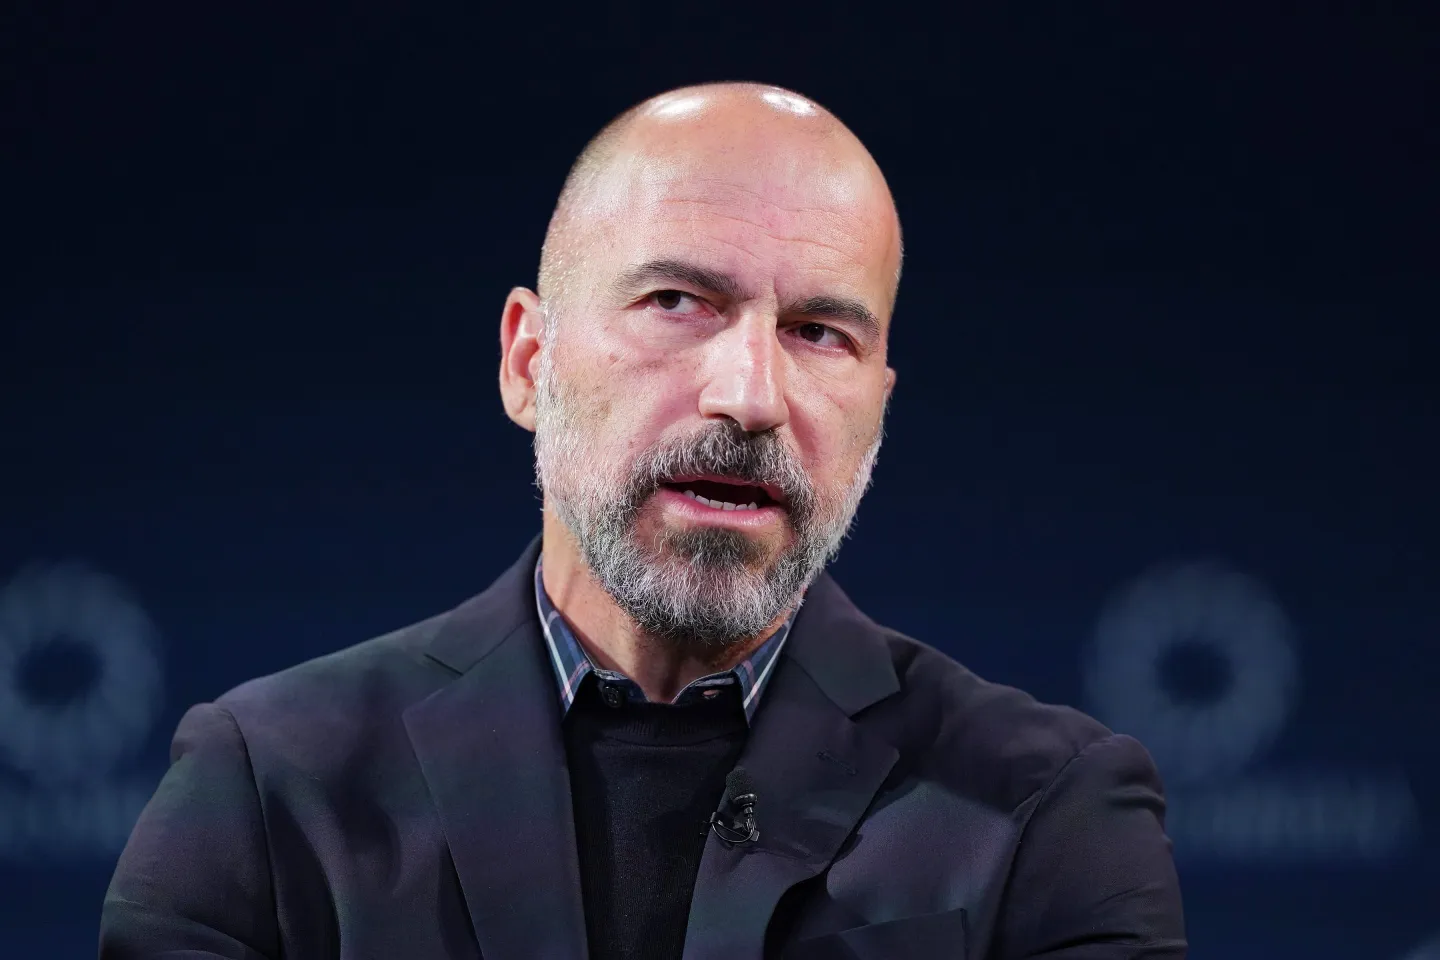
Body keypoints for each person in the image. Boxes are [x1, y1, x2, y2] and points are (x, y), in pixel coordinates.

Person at [101, 83, 1186, 959]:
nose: (752, 395)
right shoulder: (268, 787)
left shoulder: (1049, 809)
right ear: (530, 362)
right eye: (679, 303)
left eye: (819, 332)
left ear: (877, 412)